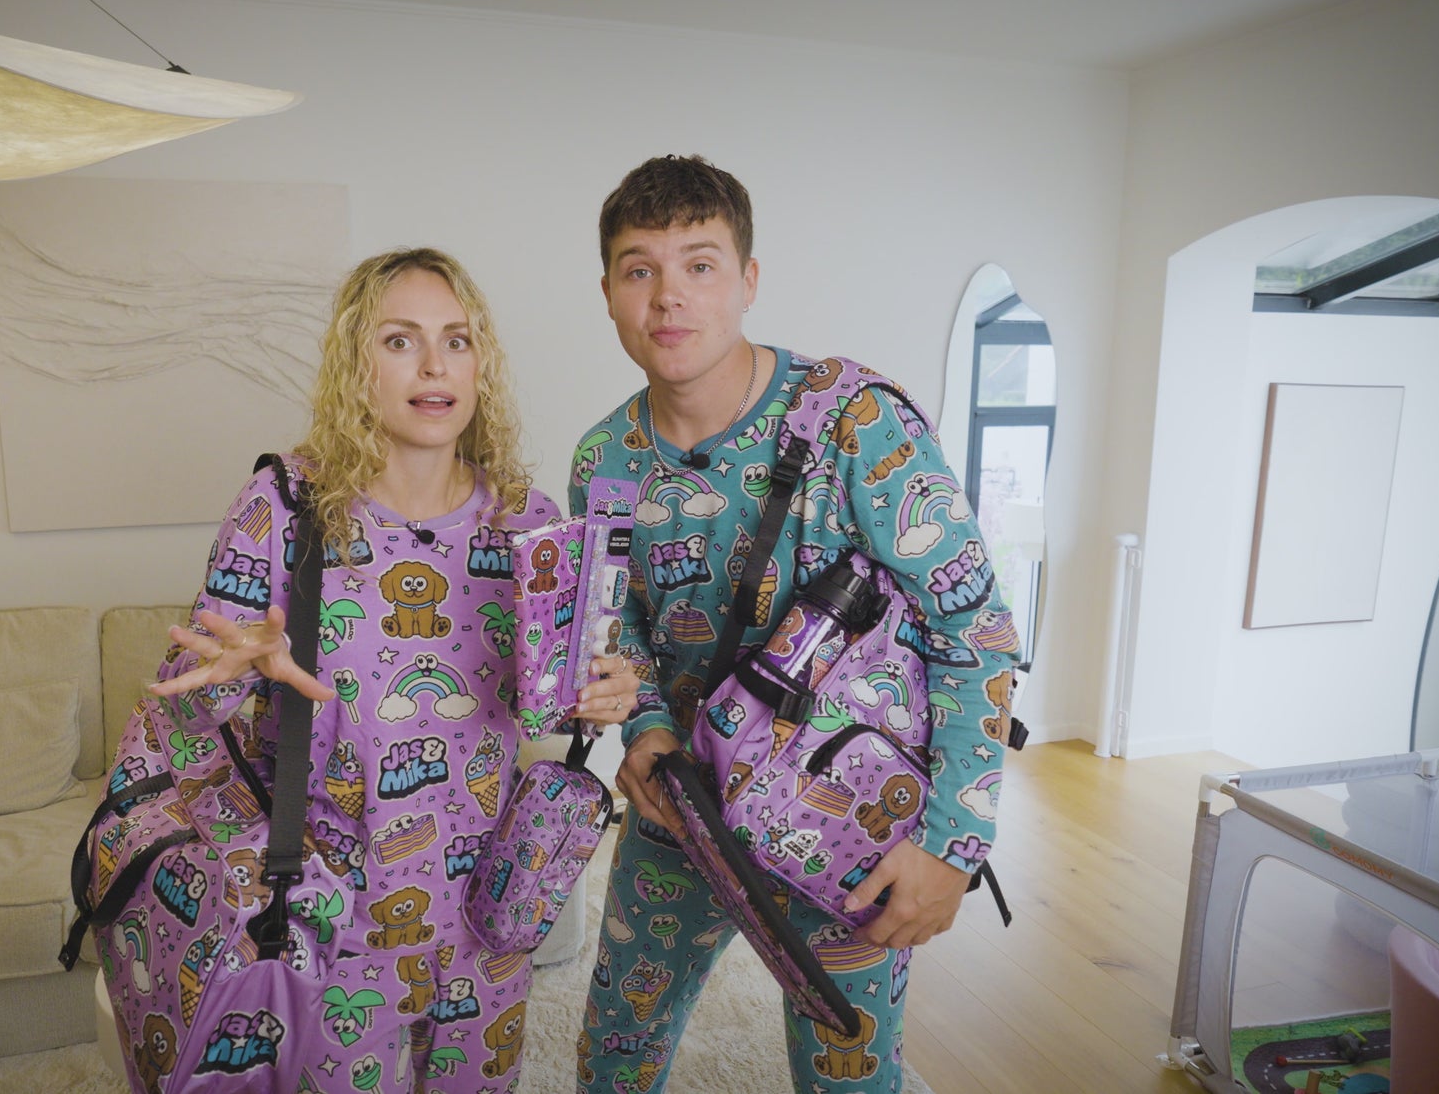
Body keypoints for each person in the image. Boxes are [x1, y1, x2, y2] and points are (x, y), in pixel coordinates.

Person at [144, 247, 639, 1093]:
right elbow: (182, 718)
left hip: (488, 912)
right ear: (356, 363)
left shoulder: (529, 523)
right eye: (401, 340)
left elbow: (553, 705)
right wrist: (242, 672)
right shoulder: (284, 508)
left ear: (480, 365)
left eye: (457, 339)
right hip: (331, 916)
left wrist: (603, 695)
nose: (435, 364)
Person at [572, 156, 1017, 1093]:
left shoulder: (857, 421)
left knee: (846, 1074)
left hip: (848, 816)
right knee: (614, 1054)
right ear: (607, 292)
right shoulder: (602, 459)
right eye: (639, 268)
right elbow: (620, 628)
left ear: (748, 280)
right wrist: (645, 728)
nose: (668, 296)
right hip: (682, 808)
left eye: (699, 265)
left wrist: (952, 843)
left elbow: (974, 628)